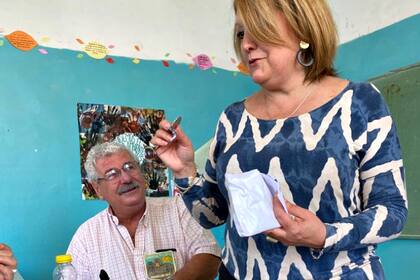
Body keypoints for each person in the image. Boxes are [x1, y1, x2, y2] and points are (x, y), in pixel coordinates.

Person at [151, 0, 408, 279]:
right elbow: (213, 216)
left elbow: (393, 212)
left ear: (303, 32)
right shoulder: (233, 119)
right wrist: (184, 171)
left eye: (258, 29)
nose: (246, 44)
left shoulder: (359, 103)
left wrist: (325, 234)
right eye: (240, 33)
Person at [67, 142, 221, 279]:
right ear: (97, 189)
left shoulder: (179, 208)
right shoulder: (86, 237)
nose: (126, 178)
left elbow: (211, 255)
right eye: (112, 174)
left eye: (130, 167)